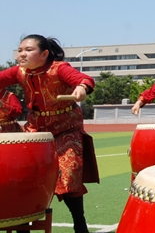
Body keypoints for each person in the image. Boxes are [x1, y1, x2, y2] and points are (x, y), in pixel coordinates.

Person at [0, 35, 99, 233]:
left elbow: (84, 79)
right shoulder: (19, 72)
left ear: (44, 54)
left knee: (69, 175)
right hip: (35, 130)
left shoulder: (59, 68)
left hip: (66, 129)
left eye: (28, 50)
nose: (22, 54)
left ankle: (79, 222)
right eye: (20, 50)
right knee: (23, 173)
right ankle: (23, 219)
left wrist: (81, 88)